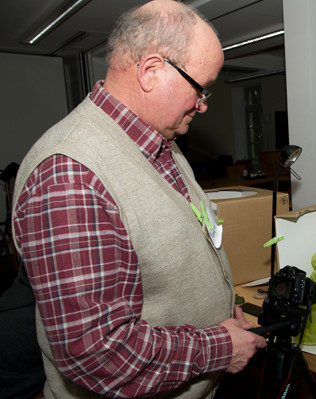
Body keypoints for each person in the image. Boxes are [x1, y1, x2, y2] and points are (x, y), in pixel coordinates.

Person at [11, 1, 266, 398]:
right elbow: (98, 354)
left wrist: (218, 317)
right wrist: (219, 347)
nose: (203, 104)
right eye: (200, 88)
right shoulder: (71, 175)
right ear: (150, 71)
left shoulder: (162, 141)